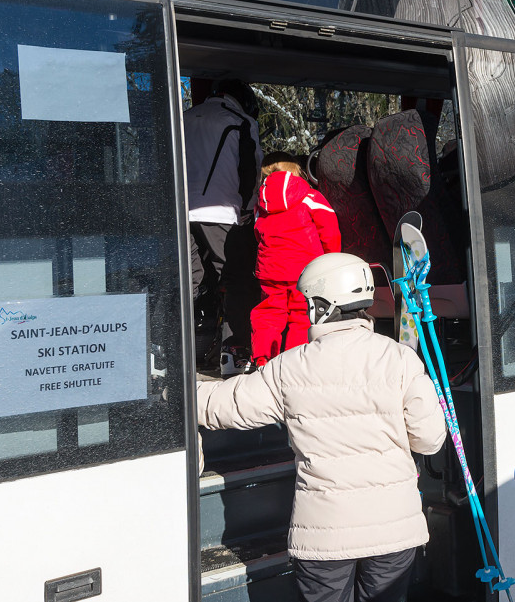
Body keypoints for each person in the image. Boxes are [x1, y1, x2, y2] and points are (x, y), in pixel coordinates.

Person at [198, 253, 447, 602]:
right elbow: (430, 440)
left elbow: (224, 406)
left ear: (322, 305)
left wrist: (177, 392)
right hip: (396, 531)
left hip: (324, 539)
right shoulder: (401, 359)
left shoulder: (291, 368)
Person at [184, 78, 263, 376]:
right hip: (223, 212)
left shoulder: (184, 117)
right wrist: (246, 211)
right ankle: (235, 352)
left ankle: (187, 347)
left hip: (182, 211)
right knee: (235, 281)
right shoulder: (239, 120)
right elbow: (248, 170)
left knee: (192, 281)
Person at [251, 152, 342, 367]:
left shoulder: (261, 204)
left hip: (270, 270)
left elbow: (258, 234)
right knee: (302, 315)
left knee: (268, 314)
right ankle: (294, 363)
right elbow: (330, 231)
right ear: (296, 170)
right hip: (305, 269)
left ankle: (263, 359)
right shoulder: (310, 197)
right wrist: (331, 259)